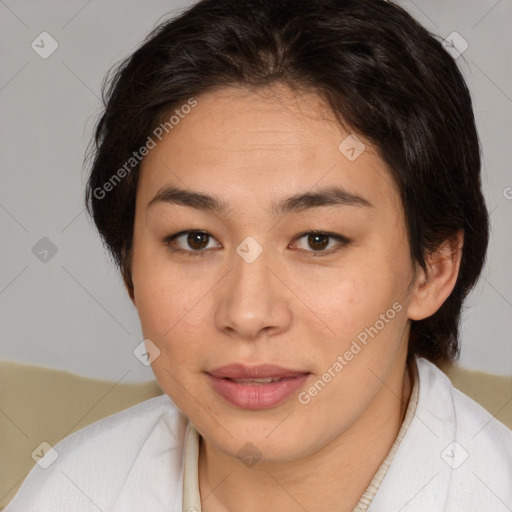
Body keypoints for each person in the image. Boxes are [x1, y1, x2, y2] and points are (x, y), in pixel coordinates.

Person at [5, 0, 512, 511]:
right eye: (195, 239)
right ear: (130, 265)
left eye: (318, 240)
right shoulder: (67, 492)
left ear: (433, 268)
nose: (247, 314)